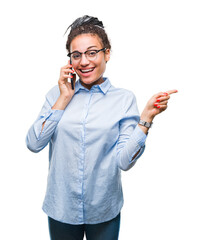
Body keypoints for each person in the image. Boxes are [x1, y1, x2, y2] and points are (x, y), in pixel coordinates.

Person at [26, 15, 177, 240]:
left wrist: (146, 118)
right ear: (69, 61)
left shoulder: (124, 99)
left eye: (92, 52)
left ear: (107, 53)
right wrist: (64, 97)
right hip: (62, 208)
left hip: (104, 209)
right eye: (76, 55)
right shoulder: (56, 94)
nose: (84, 61)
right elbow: (34, 143)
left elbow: (124, 162)